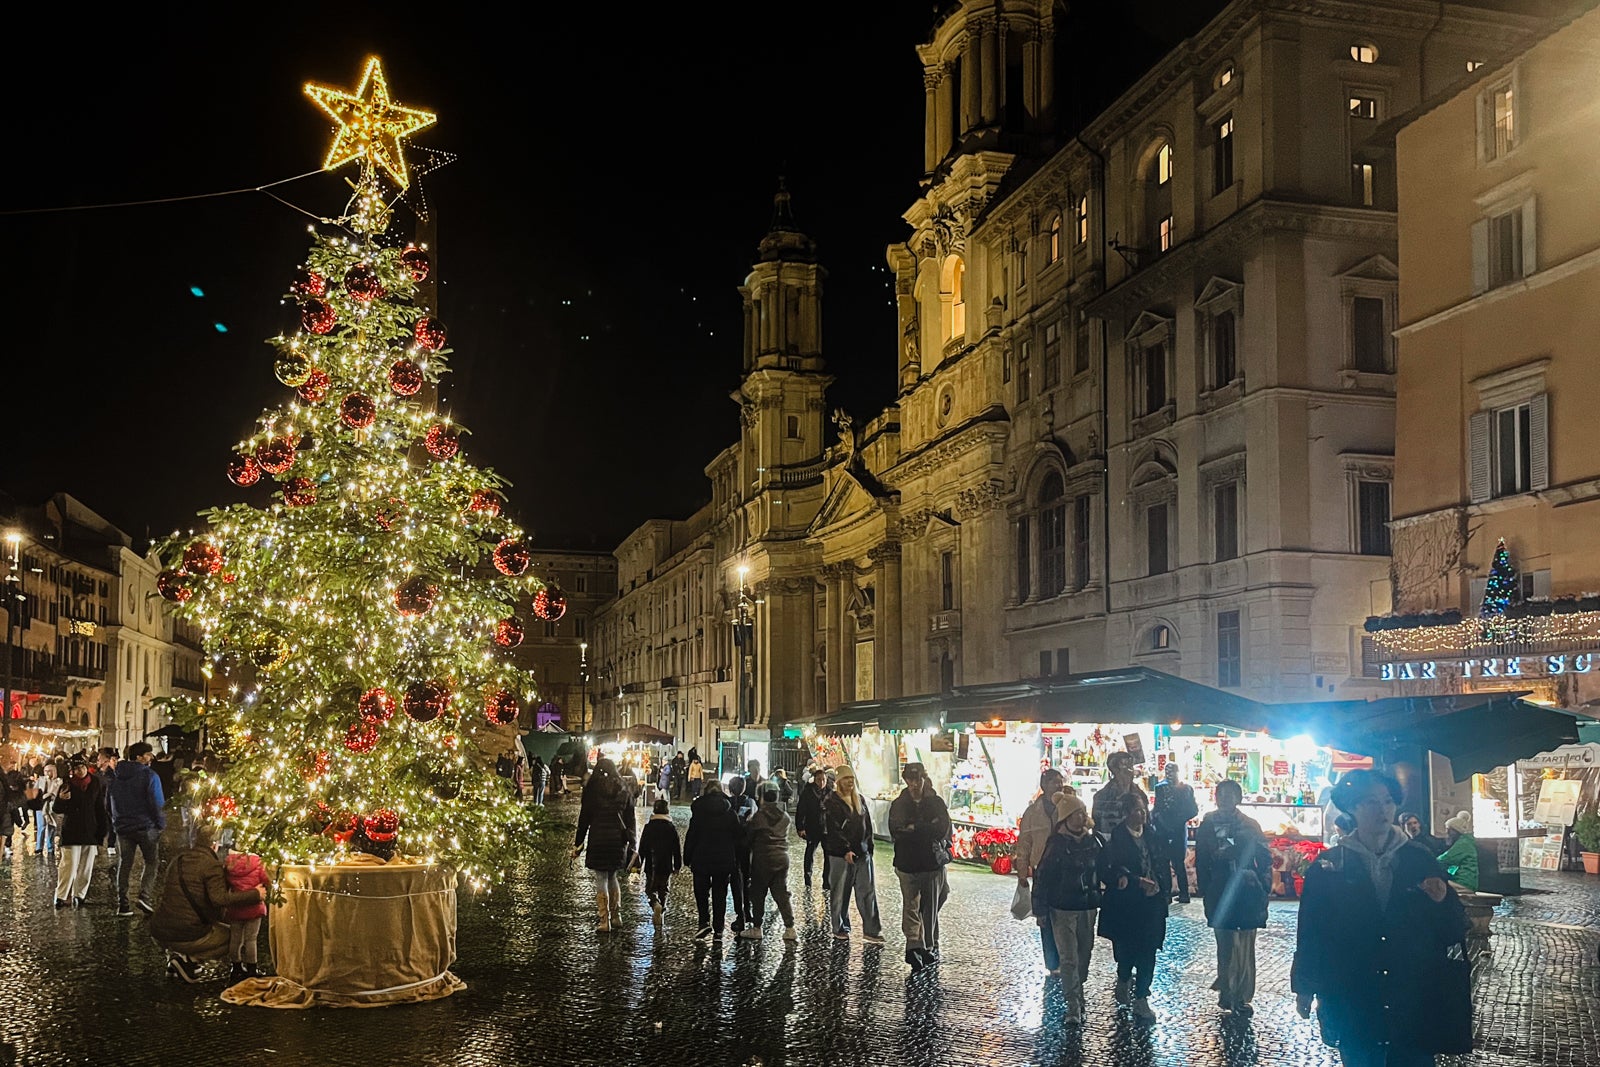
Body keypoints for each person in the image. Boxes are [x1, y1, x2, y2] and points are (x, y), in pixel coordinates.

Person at [1292, 769, 1470, 1067]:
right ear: (1352, 807)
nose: (1383, 810)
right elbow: (1311, 931)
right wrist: (1305, 986)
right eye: (1371, 802)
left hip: (1413, 999)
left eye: (1388, 801)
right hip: (1355, 997)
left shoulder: (1419, 858)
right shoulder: (1329, 866)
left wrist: (1443, 901)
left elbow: (1453, 929)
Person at [150, 823, 267, 983]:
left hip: (160, 929)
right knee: (233, 937)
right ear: (215, 844)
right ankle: (189, 960)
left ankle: (179, 956)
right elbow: (219, 899)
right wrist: (255, 894)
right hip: (186, 933)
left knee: (209, 927)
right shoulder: (212, 865)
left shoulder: (179, 859)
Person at [1194, 779, 1272, 1016]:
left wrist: (1260, 882)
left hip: (1246, 893)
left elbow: (1265, 858)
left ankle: (1242, 995)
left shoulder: (1250, 825)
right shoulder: (1208, 824)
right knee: (1226, 944)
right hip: (1220, 891)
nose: (1225, 799)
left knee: (1245, 945)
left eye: (1230, 795)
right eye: (1221, 795)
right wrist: (1206, 890)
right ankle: (1227, 993)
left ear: (1238, 798)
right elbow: (1202, 860)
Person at [1030, 792, 1104, 1024]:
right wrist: (1040, 909)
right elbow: (1042, 876)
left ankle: (1077, 989)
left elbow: (1104, 867)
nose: (1082, 817)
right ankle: (1073, 1003)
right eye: (1076, 814)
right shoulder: (1057, 844)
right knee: (1069, 957)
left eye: (1083, 812)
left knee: (1085, 953)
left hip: (1087, 906)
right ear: (1066, 818)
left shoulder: (1094, 841)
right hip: (1062, 908)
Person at [1098, 791, 1169, 1022]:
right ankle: (1124, 978)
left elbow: (1161, 863)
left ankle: (1141, 997)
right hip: (1128, 907)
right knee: (1127, 951)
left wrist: (1163, 890)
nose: (1142, 814)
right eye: (1137, 810)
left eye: (1143, 809)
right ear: (1126, 813)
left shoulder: (1153, 834)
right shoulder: (1117, 839)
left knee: (1149, 951)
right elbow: (1110, 869)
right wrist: (1135, 881)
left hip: (1152, 904)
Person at [888, 762, 952, 972]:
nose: (914, 784)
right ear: (906, 780)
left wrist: (915, 827)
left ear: (924, 779)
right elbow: (896, 830)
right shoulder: (899, 803)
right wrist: (926, 828)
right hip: (907, 863)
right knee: (911, 906)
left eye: (918, 779)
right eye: (910, 780)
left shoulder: (935, 802)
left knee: (932, 904)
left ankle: (926, 944)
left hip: (930, 863)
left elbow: (941, 829)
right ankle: (914, 946)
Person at [572, 757, 638, 933]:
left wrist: (578, 843)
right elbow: (630, 819)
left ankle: (604, 920)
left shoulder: (592, 789)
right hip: (617, 840)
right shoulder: (624, 788)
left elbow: (584, 819)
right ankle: (616, 916)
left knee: (601, 877)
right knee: (612, 876)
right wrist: (633, 842)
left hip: (598, 838)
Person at [822, 765, 884, 943]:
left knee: (867, 892)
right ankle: (840, 927)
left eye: (852, 778)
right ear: (840, 781)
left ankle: (871, 930)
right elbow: (833, 830)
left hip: (862, 853)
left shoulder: (860, 800)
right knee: (841, 892)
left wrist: (869, 847)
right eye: (846, 778)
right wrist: (845, 849)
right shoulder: (831, 802)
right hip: (841, 855)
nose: (850, 782)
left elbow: (867, 826)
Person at [1016, 768, 1068, 975]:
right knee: (1044, 916)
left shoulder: (1067, 806)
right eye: (1054, 782)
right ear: (1044, 785)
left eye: (1060, 781)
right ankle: (1052, 961)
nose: (1058, 785)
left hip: (1066, 867)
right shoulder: (1033, 812)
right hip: (1042, 868)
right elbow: (1024, 843)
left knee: (1065, 913)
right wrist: (1022, 872)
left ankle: (1066, 956)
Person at [108, 742, 166, 917]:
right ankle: (144, 896)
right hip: (145, 826)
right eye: (148, 754)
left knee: (124, 863)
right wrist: (161, 823)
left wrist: (116, 820)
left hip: (123, 827)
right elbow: (157, 803)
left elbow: (109, 802)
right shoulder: (150, 776)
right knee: (152, 861)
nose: (151, 757)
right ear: (139, 757)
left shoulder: (116, 775)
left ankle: (123, 904)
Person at [684, 779, 743, 940]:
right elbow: (738, 836)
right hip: (723, 859)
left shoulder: (699, 811)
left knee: (701, 892)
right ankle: (718, 928)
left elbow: (692, 835)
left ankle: (704, 921)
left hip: (701, 857)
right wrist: (736, 858)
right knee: (720, 894)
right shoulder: (730, 812)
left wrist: (686, 857)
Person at [743, 784, 797, 941]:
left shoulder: (758, 817)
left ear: (762, 797)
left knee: (758, 893)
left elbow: (749, 838)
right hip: (781, 858)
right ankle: (790, 927)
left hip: (763, 858)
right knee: (781, 893)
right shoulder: (785, 817)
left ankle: (757, 927)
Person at [50, 759, 106, 909]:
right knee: (69, 864)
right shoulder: (67, 784)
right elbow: (57, 809)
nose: (79, 771)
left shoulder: (95, 783)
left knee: (86, 866)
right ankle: (61, 895)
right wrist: (61, 800)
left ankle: (79, 895)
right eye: (76, 768)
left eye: (82, 767)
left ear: (87, 768)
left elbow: (100, 807)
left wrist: (102, 830)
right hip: (72, 830)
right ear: (72, 771)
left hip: (90, 830)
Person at [1151, 761, 1199, 904]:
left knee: (1175, 862)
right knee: (1168, 862)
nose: (1169, 774)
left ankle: (1177, 894)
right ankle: (1171, 893)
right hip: (1166, 830)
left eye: (1172, 771)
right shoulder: (1161, 787)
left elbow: (1193, 810)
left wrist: (1176, 820)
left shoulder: (1186, 789)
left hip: (1174, 829)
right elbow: (1157, 808)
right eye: (1167, 771)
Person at [222, 843, 271, 982]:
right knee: (251, 939)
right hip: (254, 908)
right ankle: (252, 968)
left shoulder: (229, 863)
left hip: (236, 907)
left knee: (235, 938)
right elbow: (267, 879)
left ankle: (236, 967)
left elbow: (225, 883)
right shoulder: (258, 863)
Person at [635, 797, 682, 925]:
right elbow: (676, 848)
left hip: (651, 864)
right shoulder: (670, 827)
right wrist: (677, 865)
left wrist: (639, 864)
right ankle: (661, 909)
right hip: (666, 864)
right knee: (664, 888)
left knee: (650, 888)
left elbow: (642, 847)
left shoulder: (649, 827)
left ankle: (655, 903)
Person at [1092, 752, 1149, 840]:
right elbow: (1099, 829)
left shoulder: (1139, 794)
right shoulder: (1102, 797)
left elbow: (1146, 822)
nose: (1131, 771)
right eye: (1126, 767)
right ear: (1115, 770)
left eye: (1131, 767)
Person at [726, 776, 758, 928]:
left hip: (732, 846)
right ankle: (747, 911)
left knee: (736, 881)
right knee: (747, 880)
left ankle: (741, 914)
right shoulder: (750, 802)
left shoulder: (727, 804)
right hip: (747, 845)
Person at [795, 767, 831, 890]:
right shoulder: (808, 792)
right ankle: (807, 877)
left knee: (828, 855)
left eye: (823, 780)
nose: (821, 782)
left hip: (826, 828)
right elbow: (801, 810)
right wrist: (800, 827)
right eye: (819, 779)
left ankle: (826, 881)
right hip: (812, 827)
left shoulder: (830, 792)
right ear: (814, 779)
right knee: (810, 852)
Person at [1437, 811, 1479, 893]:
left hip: (1463, 883)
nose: (1446, 833)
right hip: (1467, 882)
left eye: (1449, 830)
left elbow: (1444, 859)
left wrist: (1428, 862)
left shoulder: (1463, 844)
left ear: (1456, 831)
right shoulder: (1465, 842)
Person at [32, 762, 62, 855]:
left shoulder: (58, 781)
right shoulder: (40, 780)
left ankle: (50, 847)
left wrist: (51, 794)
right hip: (41, 805)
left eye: (49, 771)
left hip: (52, 806)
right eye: (45, 771)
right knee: (41, 826)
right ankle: (39, 847)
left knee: (51, 826)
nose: (47, 773)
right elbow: (34, 792)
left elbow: (59, 793)